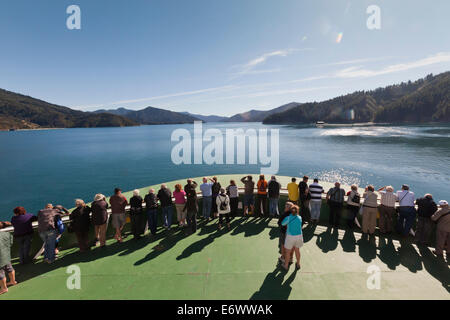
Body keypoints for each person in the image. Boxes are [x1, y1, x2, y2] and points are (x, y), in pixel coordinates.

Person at [281, 205, 303, 270]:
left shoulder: (288, 218)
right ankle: (298, 264)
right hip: (299, 236)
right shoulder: (300, 217)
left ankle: (286, 266)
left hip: (290, 237)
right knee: (297, 250)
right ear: (297, 211)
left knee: (288, 252)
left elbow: (282, 224)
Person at [0, 229, 16, 295]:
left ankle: (4, 288)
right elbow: (10, 242)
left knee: (0, 274)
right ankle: (13, 281)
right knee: (9, 268)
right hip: (6, 255)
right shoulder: (6, 234)